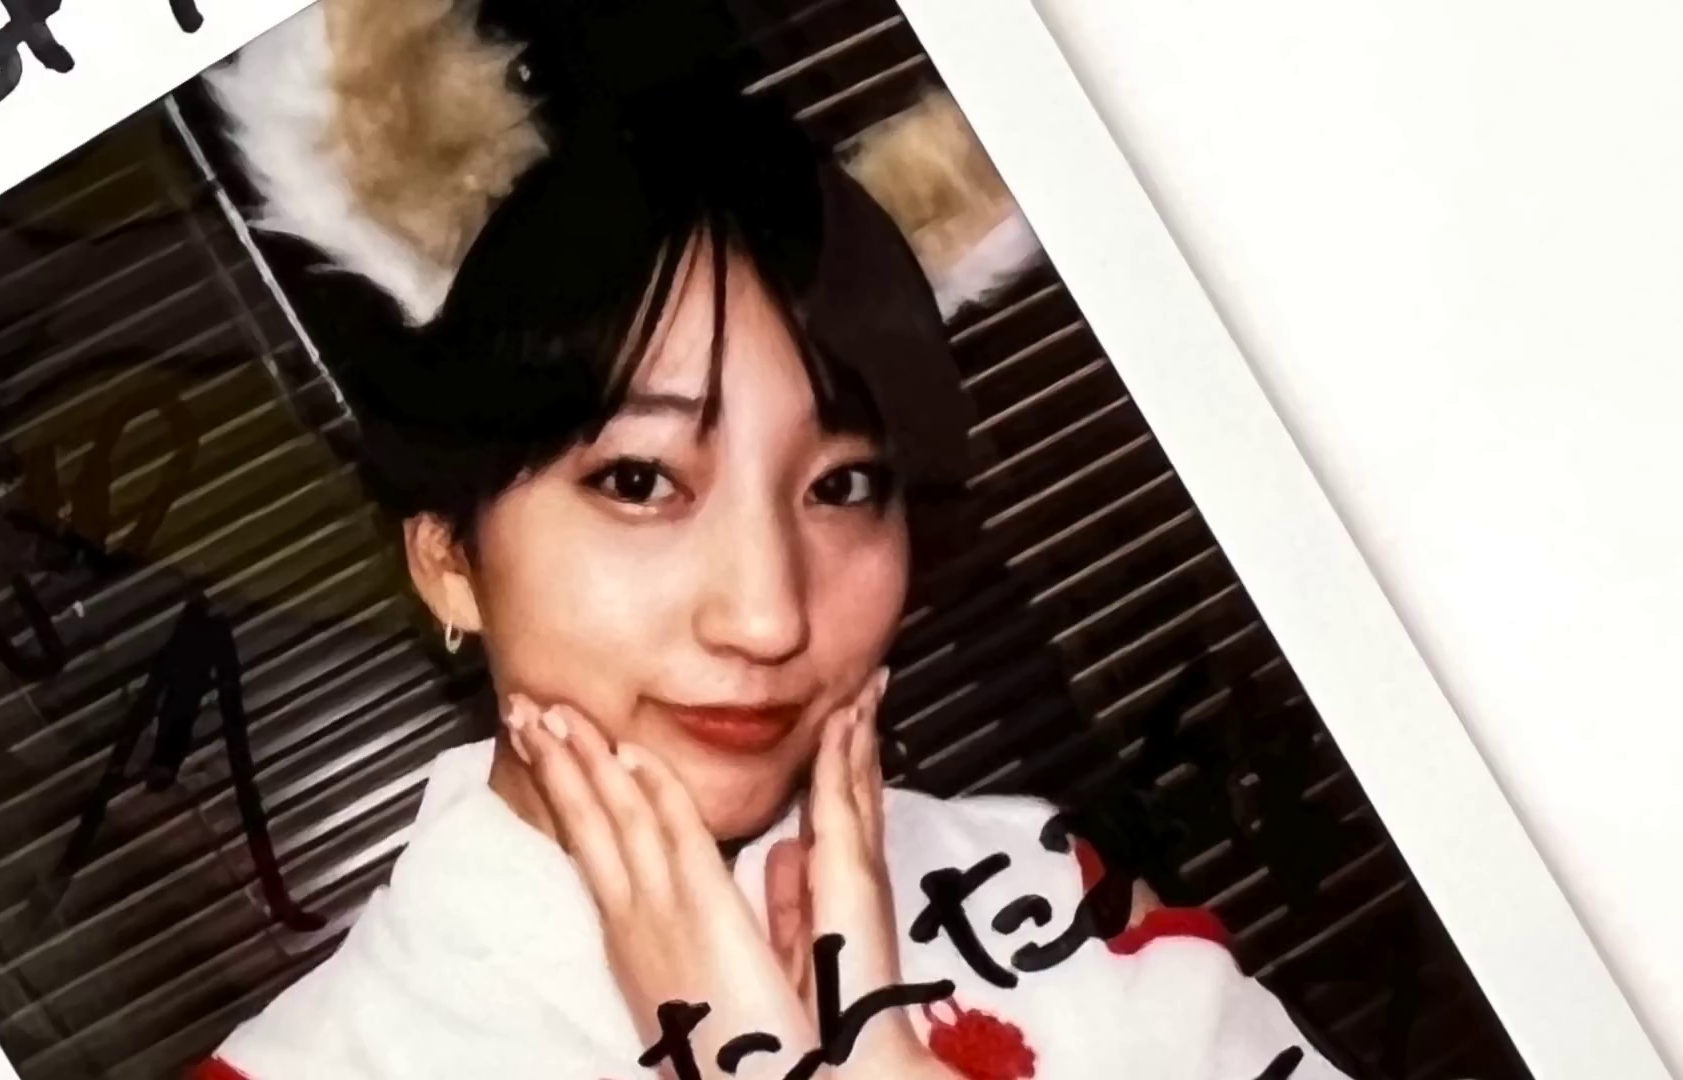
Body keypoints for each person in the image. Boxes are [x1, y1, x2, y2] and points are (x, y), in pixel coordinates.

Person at [197, 1, 1351, 1077]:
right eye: (640, 480)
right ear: (450, 561)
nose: (767, 616)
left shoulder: (1053, 897)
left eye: (841, 486)